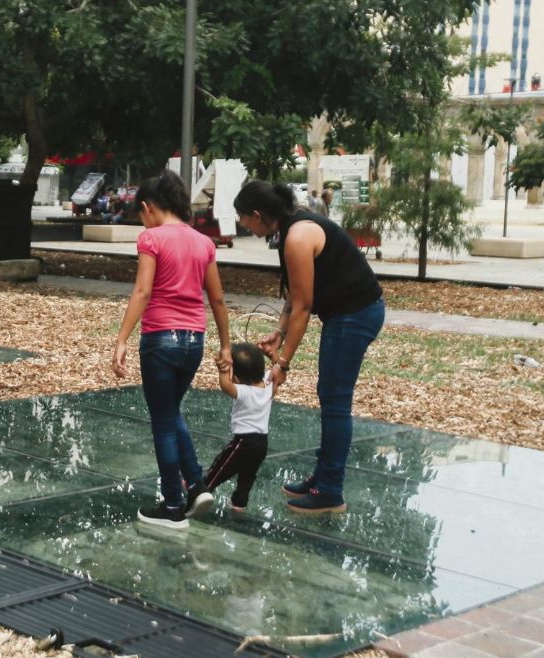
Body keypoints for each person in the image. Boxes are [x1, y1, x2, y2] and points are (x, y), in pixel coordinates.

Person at [235, 180, 384, 515]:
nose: (243, 225)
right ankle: (323, 477)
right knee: (329, 395)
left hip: (355, 314)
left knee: (335, 400)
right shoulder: (290, 228)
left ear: (257, 214)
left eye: (242, 218)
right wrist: (279, 331)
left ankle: (330, 490)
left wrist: (283, 364)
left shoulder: (298, 236)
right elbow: (295, 294)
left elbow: (303, 306)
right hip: (347, 314)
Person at [112, 169, 231, 530]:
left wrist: (121, 339)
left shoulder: (152, 238)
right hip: (194, 340)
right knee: (170, 412)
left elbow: (143, 291)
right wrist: (226, 345)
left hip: (160, 339)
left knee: (163, 422)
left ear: (148, 207)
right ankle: (196, 484)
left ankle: (173, 506)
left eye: (140, 215)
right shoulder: (204, 243)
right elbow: (218, 298)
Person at [193, 342, 274, 513]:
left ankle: (202, 490)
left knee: (221, 467)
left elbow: (225, 385)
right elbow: (276, 372)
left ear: (236, 377)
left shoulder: (243, 392)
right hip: (262, 443)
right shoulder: (269, 384)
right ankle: (239, 503)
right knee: (248, 475)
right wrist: (273, 356)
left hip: (243, 442)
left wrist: (222, 370)